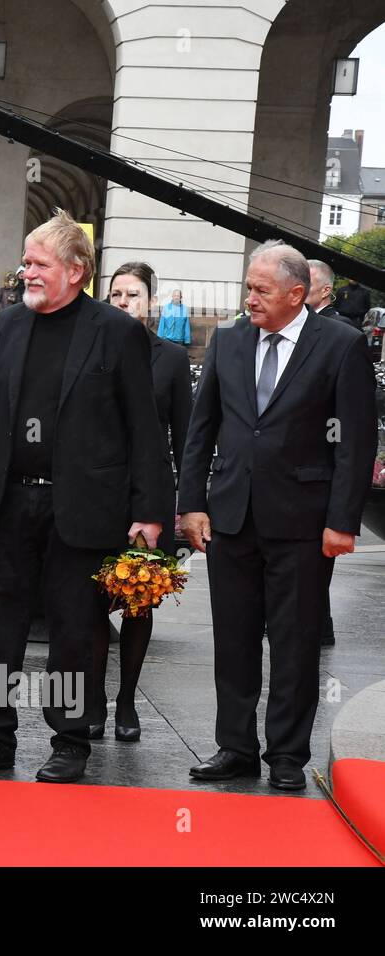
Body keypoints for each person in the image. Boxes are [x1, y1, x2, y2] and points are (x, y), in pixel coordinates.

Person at [0, 209, 170, 784]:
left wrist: (149, 511)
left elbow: (144, 429)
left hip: (84, 510)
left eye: (37, 263)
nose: (25, 272)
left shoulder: (116, 331)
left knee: (74, 632)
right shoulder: (11, 325)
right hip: (11, 504)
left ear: (76, 271)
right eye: (25, 261)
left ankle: (70, 742)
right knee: (3, 627)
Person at [178, 240, 376, 792]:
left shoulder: (341, 344)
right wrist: (191, 504)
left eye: (261, 290)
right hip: (231, 518)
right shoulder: (230, 340)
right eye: (247, 287)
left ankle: (286, 753)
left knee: (294, 641)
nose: (250, 298)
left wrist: (341, 521)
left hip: (304, 523)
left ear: (297, 294)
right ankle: (234, 747)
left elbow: (355, 445)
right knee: (233, 638)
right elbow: (202, 428)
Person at [89, 261, 192, 741]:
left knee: (138, 600)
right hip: (93, 493)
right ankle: (89, 703)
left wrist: (184, 504)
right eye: (116, 295)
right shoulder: (90, 349)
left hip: (148, 496)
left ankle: (125, 700)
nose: (124, 303)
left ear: (151, 302)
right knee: (89, 601)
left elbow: (185, 440)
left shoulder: (169, 359)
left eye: (132, 295)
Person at [306, 260, 350, 646]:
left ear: (324, 291)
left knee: (317, 560)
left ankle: (319, 624)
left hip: (322, 456)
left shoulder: (341, 333)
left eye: (308, 284)